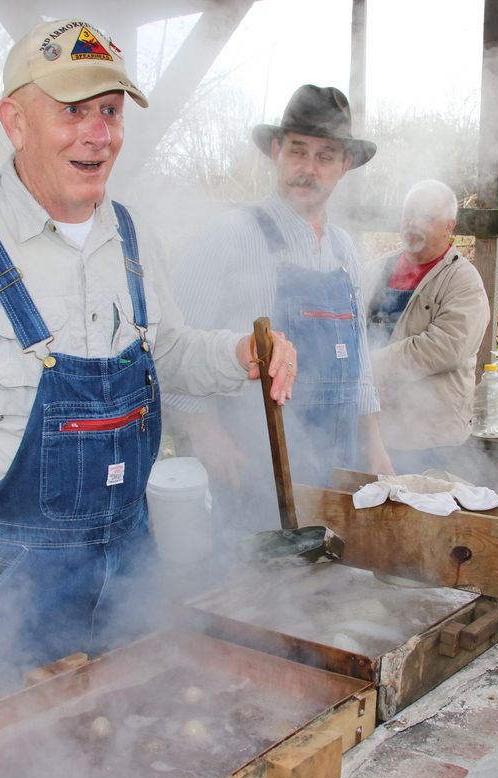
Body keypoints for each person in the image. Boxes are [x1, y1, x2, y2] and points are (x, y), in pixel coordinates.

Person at [0, 18, 297, 707]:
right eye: (71, 111)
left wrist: (238, 352)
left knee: (126, 742)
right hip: (3, 580)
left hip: (128, 563)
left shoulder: (128, 233)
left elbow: (168, 350)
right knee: (9, 770)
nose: (98, 133)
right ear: (15, 120)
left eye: (111, 111)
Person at [163, 84, 393, 534]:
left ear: (344, 166)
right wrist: (205, 432)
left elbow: (359, 359)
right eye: (298, 151)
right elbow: (169, 348)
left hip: (337, 467)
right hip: (253, 468)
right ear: (276, 151)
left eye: (325, 156)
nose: (308, 169)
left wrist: (374, 446)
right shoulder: (228, 236)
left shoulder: (346, 249)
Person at [364, 179, 490, 474]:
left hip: (431, 441)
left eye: (426, 217)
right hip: (375, 433)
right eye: (409, 214)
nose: (413, 224)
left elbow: (445, 347)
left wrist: (369, 368)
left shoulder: (463, 281)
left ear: (450, 227)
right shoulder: (374, 270)